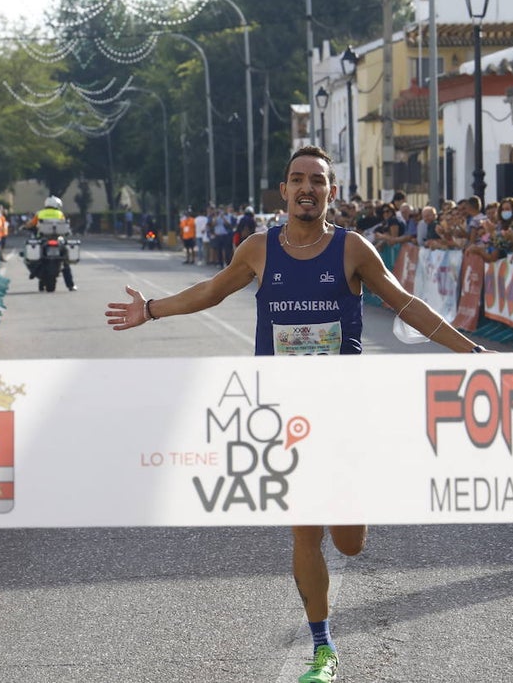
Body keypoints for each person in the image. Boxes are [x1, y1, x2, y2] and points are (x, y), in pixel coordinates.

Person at [104, 146, 489, 683]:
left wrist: (470, 353)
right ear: (283, 191)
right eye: (296, 179)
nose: (307, 188)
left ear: (331, 192)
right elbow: (211, 292)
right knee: (303, 534)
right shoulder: (258, 249)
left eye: (318, 180)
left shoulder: (353, 249)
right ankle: (323, 648)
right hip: (286, 418)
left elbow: (406, 305)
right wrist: (151, 309)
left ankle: (352, 500)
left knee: (351, 542)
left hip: (346, 414)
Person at [25, 195, 76, 290]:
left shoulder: (40, 213)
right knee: (65, 261)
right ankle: (70, 285)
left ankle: (35, 273)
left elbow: (31, 224)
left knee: (37, 258)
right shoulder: (60, 214)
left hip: (43, 239)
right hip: (58, 239)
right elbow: (65, 226)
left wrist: (26, 226)